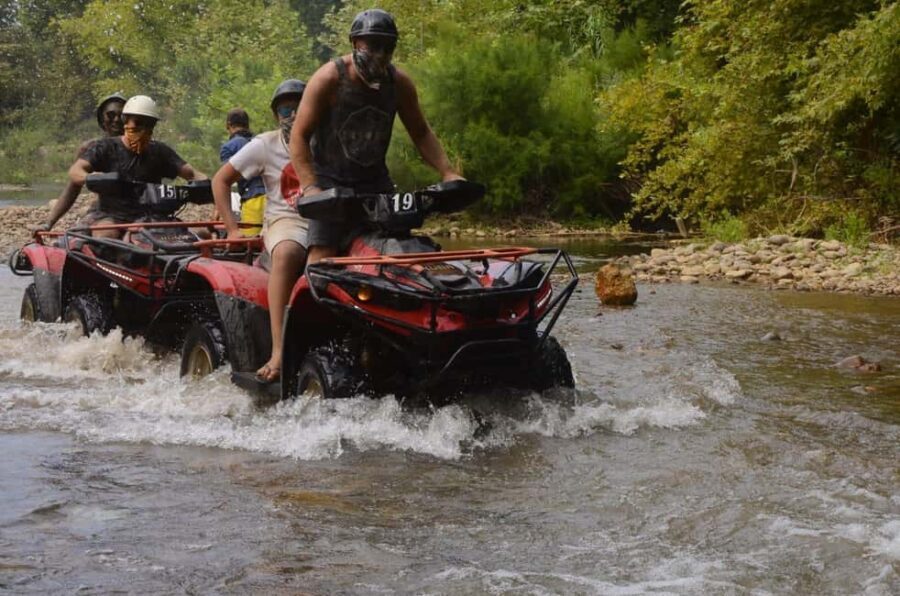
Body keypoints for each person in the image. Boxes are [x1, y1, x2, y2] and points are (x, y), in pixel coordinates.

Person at [289, 8, 462, 265]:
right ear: (355, 42)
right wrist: (311, 187)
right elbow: (299, 136)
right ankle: (305, 303)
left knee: (401, 250)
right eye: (373, 45)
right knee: (322, 255)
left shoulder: (399, 84)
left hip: (375, 183)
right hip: (329, 184)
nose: (380, 54)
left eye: (387, 46)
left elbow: (421, 132)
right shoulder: (328, 79)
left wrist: (448, 172)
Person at [212, 80, 308, 382]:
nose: (292, 115)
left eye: (299, 107)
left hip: (327, 220)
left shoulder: (329, 142)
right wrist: (231, 229)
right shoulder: (265, 144)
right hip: (286, 221)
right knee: (289, 253)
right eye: (285, 110)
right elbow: (220, 180)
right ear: (276, 116)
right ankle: (278, 351)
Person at [66, 95, 206, 238]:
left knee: (201, 233)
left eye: (149, 125)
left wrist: (208, 187)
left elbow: (192, 173)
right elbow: (75, 171)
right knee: (106, 234)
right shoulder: (105, 147)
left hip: (150, 216)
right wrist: (92, 179)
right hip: (112, 214)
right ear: (125, 121)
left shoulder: (160, 151)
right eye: (138, 123)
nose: (143, 130)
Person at [36, 93, 127, 232]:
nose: (116, 120)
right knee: (77, 242)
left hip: (142, 211)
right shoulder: (92, 148)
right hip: (107, 211)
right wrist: (48, 223)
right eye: (110, 115)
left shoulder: (146, 146)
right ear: (102, 120)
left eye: (121, 115)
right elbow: (73, 187)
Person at [219, 108, 266, 235]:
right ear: (247, 124)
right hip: (275, 199)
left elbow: (225, 181)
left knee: (254, 246)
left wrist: (218, 210)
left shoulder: (229, 147)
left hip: (253, 200)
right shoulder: (262, 142)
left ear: (228, 125)